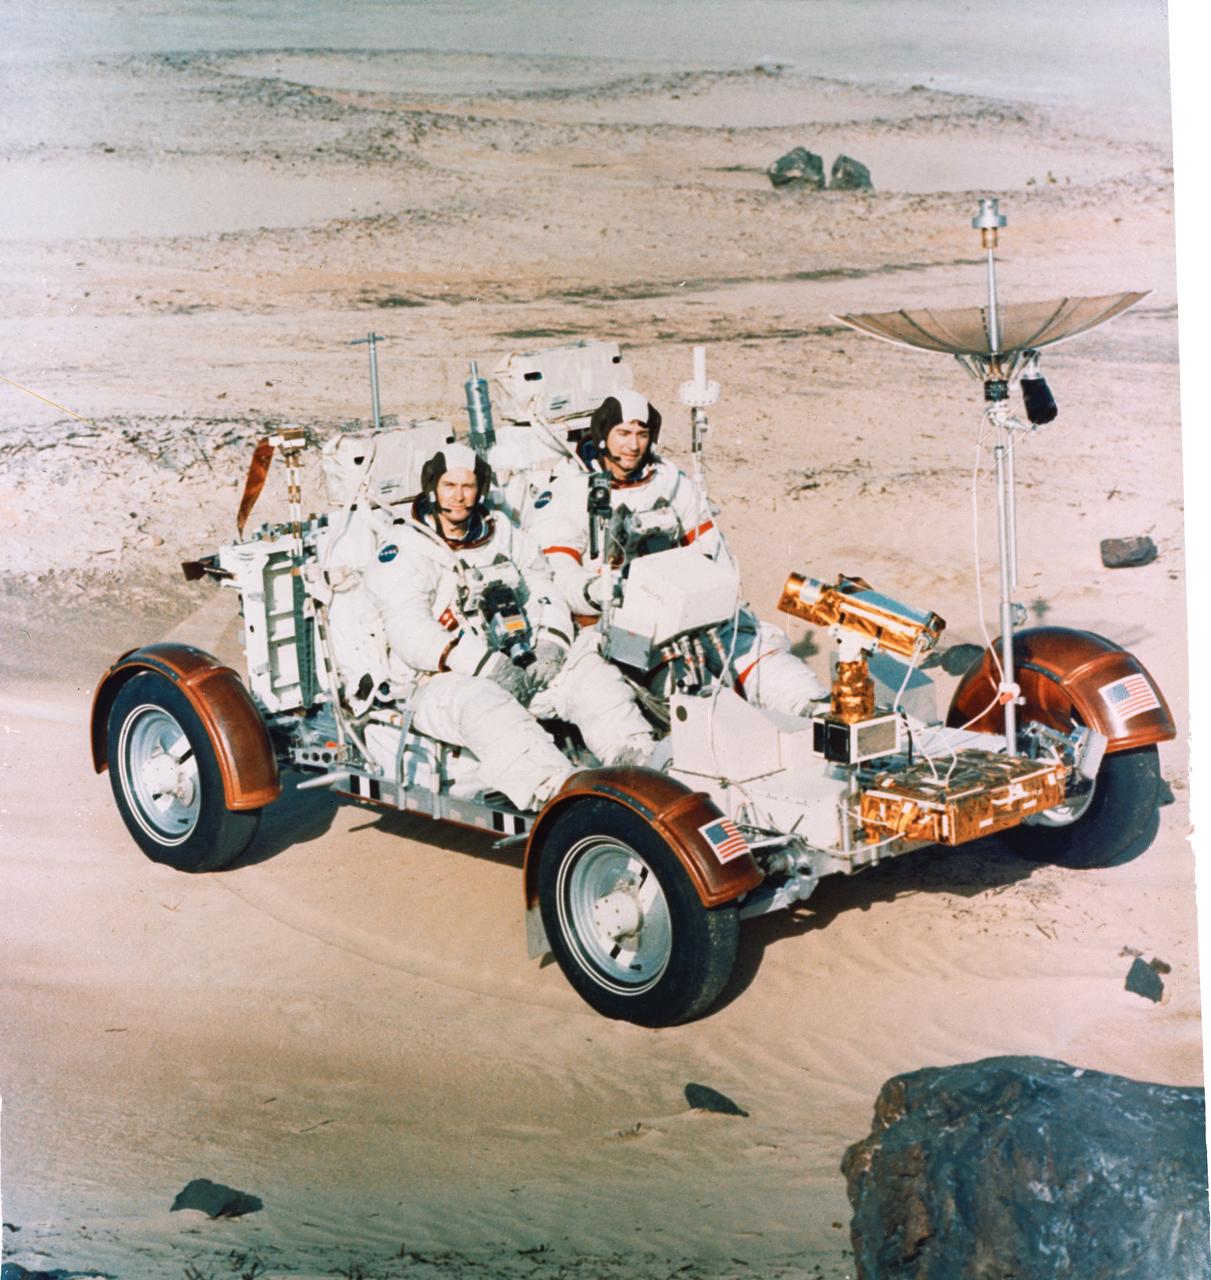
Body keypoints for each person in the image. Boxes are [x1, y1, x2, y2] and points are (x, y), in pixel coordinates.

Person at [363, 444, 655, 810]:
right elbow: (409, 629)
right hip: (442, 680)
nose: (458, 496)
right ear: (432, 489)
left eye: (468, 486)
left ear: (480, 490)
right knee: (488, 709)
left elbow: (542, 584)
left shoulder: (502, 534)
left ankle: (638, 766)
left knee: (590, 676)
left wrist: (550, 644)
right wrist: (484, 664)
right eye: (449, 485)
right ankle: (560, 796)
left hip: (517, 656)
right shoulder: (405, 549)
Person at [525, 390, 830, 714]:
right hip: (611, 621)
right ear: (602, 435)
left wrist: (705, 587)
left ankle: (811, 706)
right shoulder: (569, 492)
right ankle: (708, 724)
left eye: (642, 434)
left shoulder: (669, 481)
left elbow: (713, 549)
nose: (633, 445)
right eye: (623, 433)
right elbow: (557, 575)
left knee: (749, 646)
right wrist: (596, 591)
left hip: (685, 608)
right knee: (674, 681)